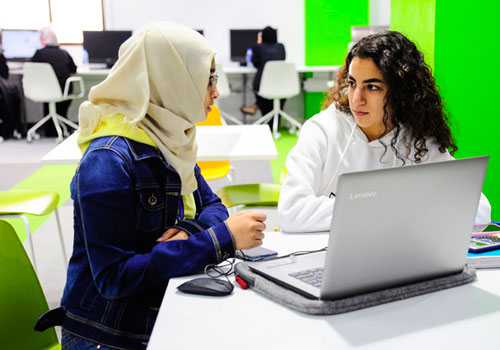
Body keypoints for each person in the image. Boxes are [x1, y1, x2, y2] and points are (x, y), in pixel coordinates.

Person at [42, 22, 267, 350]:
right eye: (209, 79)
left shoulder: (171, 139)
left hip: (159, 310)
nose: (216, 92)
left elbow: (214, 206)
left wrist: (191, 229)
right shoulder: (107, 162)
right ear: (174, 80)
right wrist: (221, 239)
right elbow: (114, 277)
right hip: (109, 336)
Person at [278, 31, 491, 233]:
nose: (356, 99)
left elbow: (480, 211)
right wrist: (385, 207)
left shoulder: (417, 141)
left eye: (372, 87)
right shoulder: (322, 130)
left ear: (401, 93)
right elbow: (291, 211)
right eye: (352, 84)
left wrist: (391, 210)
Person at [31, 25, 77, 136]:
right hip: (63, 90)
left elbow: (31, 70)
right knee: (61, 106)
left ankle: (50, 130)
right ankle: (63, 126)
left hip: (45, 90)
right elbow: (74, 69)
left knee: (48, 100)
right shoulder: (64, 53)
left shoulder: (38, 54)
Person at [240, 26, 286, 125]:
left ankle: (258, 109)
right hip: (282, 86)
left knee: (262, 95)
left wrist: (259, 43)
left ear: (262, 37)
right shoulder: (281, 47)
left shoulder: (258, 47)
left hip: (263, 87)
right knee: (275, 100)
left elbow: (255, 63)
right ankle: (274, 123)